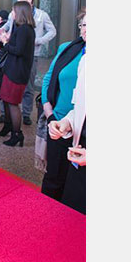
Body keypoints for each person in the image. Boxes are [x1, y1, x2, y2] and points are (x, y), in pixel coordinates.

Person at [40, 10, 86, 201]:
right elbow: (48, 80)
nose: (86, 30)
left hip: (84, 131)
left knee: (75, 186)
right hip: (61, 121)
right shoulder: (69, 49)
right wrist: (50, 115)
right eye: (83, 25)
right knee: (54, 177)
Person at [0, 0, 56, 124]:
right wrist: (0, 34)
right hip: (13, 54)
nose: (18, 1)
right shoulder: (16, 15)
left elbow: (52, 31)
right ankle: (5, 115)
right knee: (8, 90)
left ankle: (26, 113)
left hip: (30, 54)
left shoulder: (41, 15)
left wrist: (38, 41)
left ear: (29, 0)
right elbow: (6, 27)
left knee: (28, 87)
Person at [48, 50, 85, 214]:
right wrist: (67, 123)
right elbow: (80, 107)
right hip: (79, 152)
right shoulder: (85, 61)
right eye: (83, 24)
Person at [0, 1, 35, 147]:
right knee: (5, 99)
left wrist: (5, 42)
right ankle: (7, 126)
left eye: (13, 10)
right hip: (12, 69)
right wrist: (0, 42)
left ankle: (17, 134)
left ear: (20, 12)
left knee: (12, 103)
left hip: (18, 72)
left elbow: (18, 50)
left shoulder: (25, 29)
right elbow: (13, 46)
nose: (11, 13)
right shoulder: (20, 27)